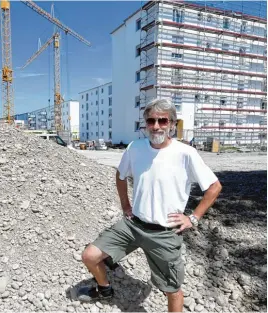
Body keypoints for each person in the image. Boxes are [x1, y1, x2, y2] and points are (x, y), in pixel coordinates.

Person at [78, 98, 222, 312]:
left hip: (164, 234)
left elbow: (214, 187)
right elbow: (120, 176)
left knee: (172, 290)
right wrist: (125, 205)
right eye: (151, 121)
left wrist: (193, 218)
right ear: (144, 123)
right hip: (133, 225)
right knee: (89, 256)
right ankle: (104, 289)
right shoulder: (135, 148)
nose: (156, 126)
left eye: (163, 121)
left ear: (172, 124)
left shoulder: (186, 153)